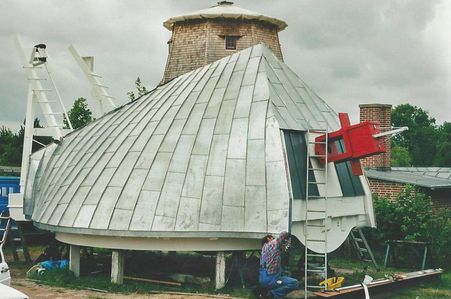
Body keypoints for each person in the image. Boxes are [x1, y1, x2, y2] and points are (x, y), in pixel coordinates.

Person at [259, 231, 299, 299]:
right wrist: (289, 232)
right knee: (294, 283)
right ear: (268, 239)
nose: (274, 239)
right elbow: (282, 236)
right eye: (272, 238)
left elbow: (278, 253)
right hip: (271, 279)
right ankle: (273, 295)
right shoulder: (270, 244)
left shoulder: (264, 249)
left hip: (263, 278)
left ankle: (265, 293)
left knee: (283, 273)